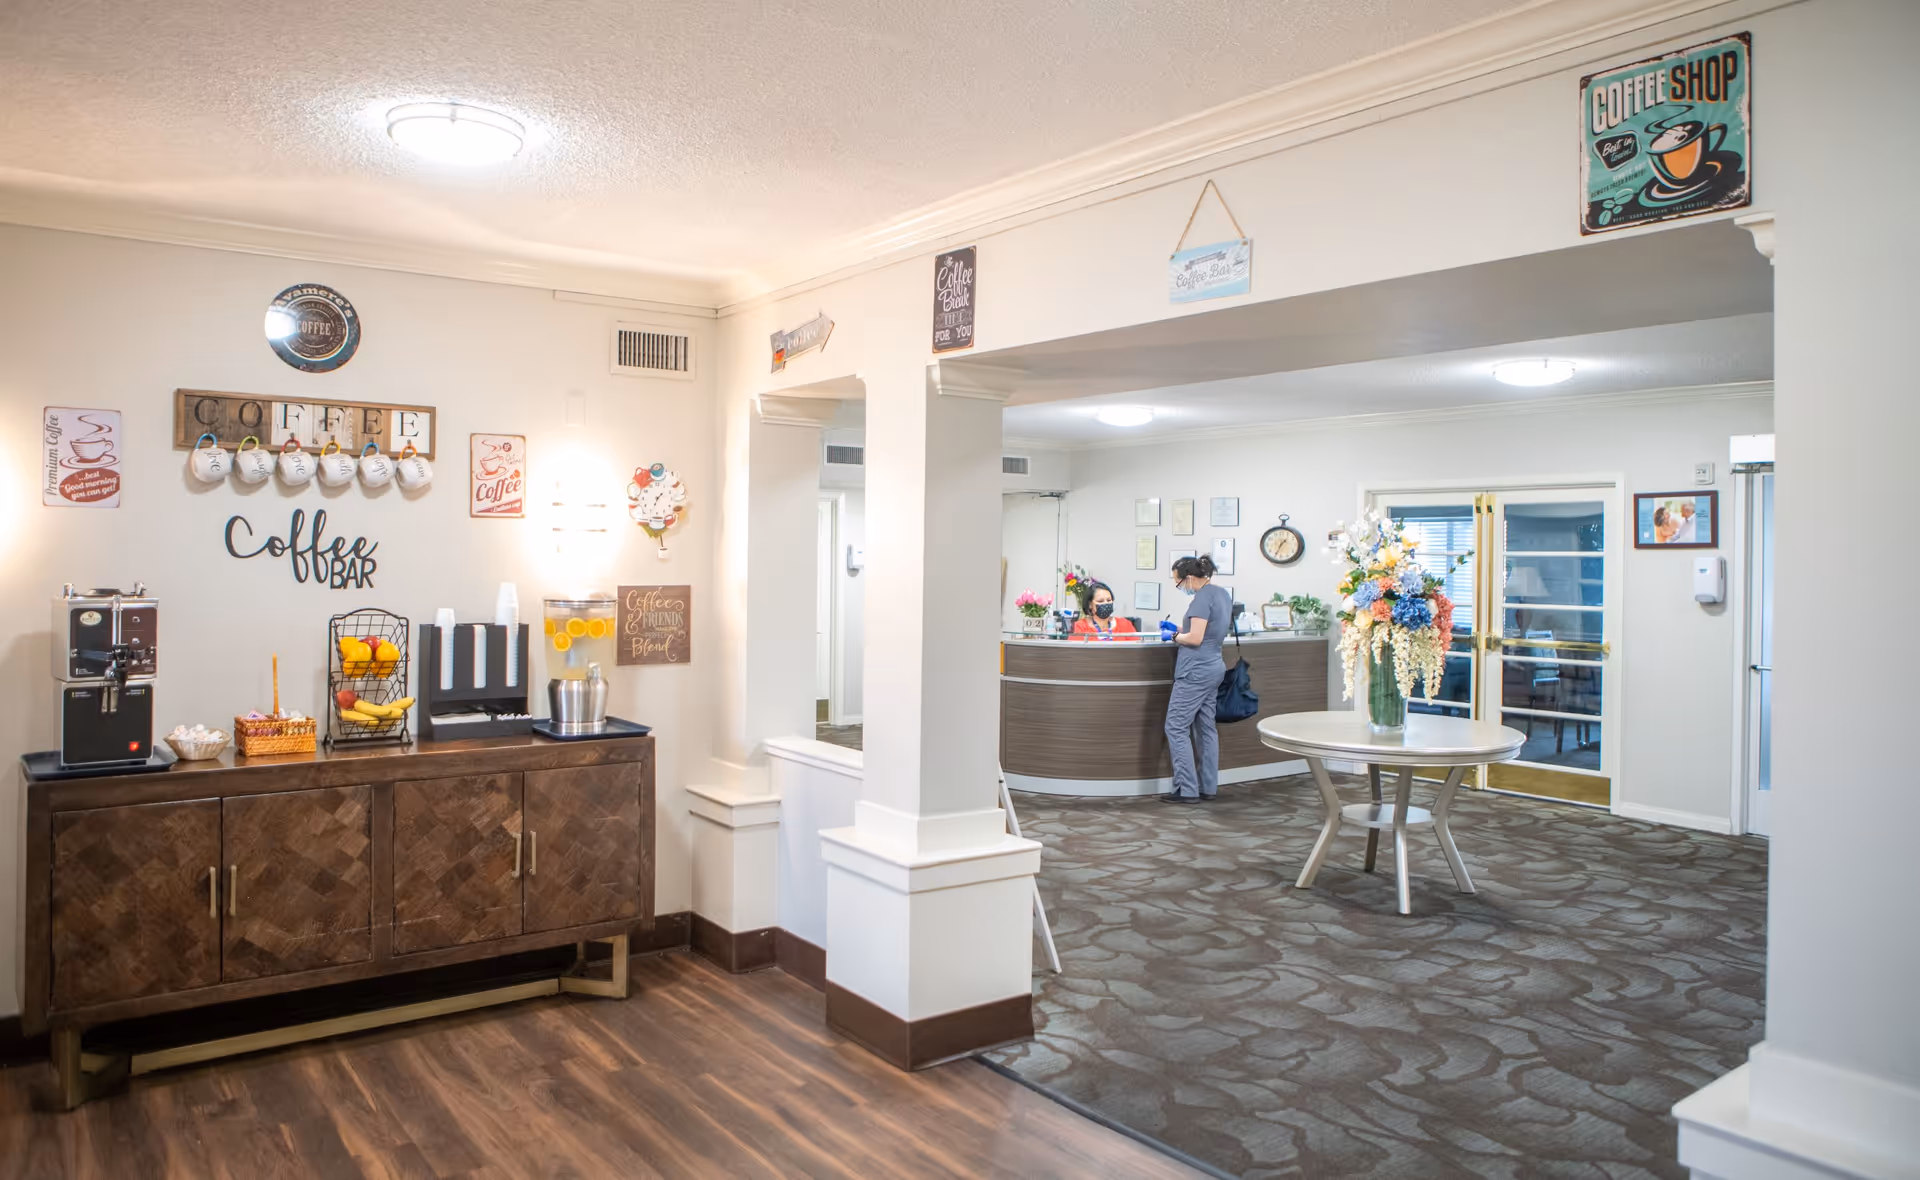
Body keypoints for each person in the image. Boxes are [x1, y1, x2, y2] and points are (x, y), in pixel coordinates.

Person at [1160, 554, 1233, 803]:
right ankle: (1208, 787)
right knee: (1206, 728)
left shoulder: (1201, 598)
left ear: (1189, 578)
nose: (1180, 588)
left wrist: (1172, 637)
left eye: (1179, 583)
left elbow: (1195, 639)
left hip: (1195, 670)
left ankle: (1187, 789)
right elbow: (1206, 631)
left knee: (1176, 726)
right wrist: (1179, 630)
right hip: (1213, 665)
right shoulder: (1221, 594)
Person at [1071, 581, 1139, 641]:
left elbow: (1137, 650)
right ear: (1090, 605)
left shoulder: (1124, 624)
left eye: (1109, 600)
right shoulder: (1080, 627)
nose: (1105, 603)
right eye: (1100, 601)